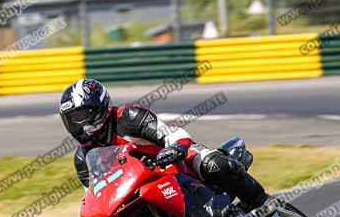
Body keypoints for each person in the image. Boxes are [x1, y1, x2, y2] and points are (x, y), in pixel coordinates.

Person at [59, 78, 268, 210]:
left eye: (81, 115)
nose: (78, 124)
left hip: (177, 165)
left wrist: (176, 148)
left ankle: (264, 205)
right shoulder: (83, 157)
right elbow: (95, 194)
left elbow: (171, 134)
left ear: (99, 107)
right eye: (71, 119)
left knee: (214, 164)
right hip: (140, 190)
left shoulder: (128, 117)